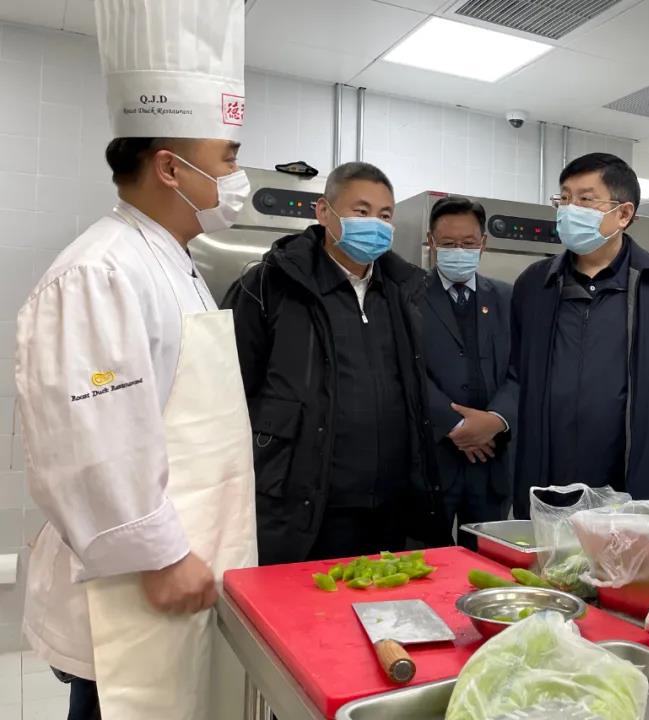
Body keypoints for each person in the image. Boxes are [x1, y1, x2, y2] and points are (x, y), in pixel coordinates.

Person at [16, 1, 257, 717]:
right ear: (170, 168)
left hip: (186, 578)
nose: (237, 178)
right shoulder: (100, 271)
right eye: (228, 159)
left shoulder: (175, 262)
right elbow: (88, 441)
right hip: (140, 585)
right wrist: (161, 557)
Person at [222, 161, 450, 564]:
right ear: (324, 212)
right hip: (307, 505)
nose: (375, 224)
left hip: (391, 508)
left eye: (385, 215)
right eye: (361, 211)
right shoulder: (269, 285)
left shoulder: (402, 292)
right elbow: (231, 392)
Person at [510, 152, 649, 517]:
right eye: (564, 198)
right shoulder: (534, 284)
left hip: (636, 481)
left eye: (585, 199)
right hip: (550, 479)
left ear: (624, 214)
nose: (569, 209)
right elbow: (518, 374)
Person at [422, 196, 517, 546]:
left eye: (468, 243)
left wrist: (495, 420)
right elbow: (403, 369)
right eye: (448, 244)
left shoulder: (507, 298)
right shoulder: (408, 296)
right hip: (433, 458)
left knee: (489, 561)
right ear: (431, 242)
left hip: (493, 460)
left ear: (483, 243)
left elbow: (523, 368)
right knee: (428, 560)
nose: (458, 251)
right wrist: (457, 425)